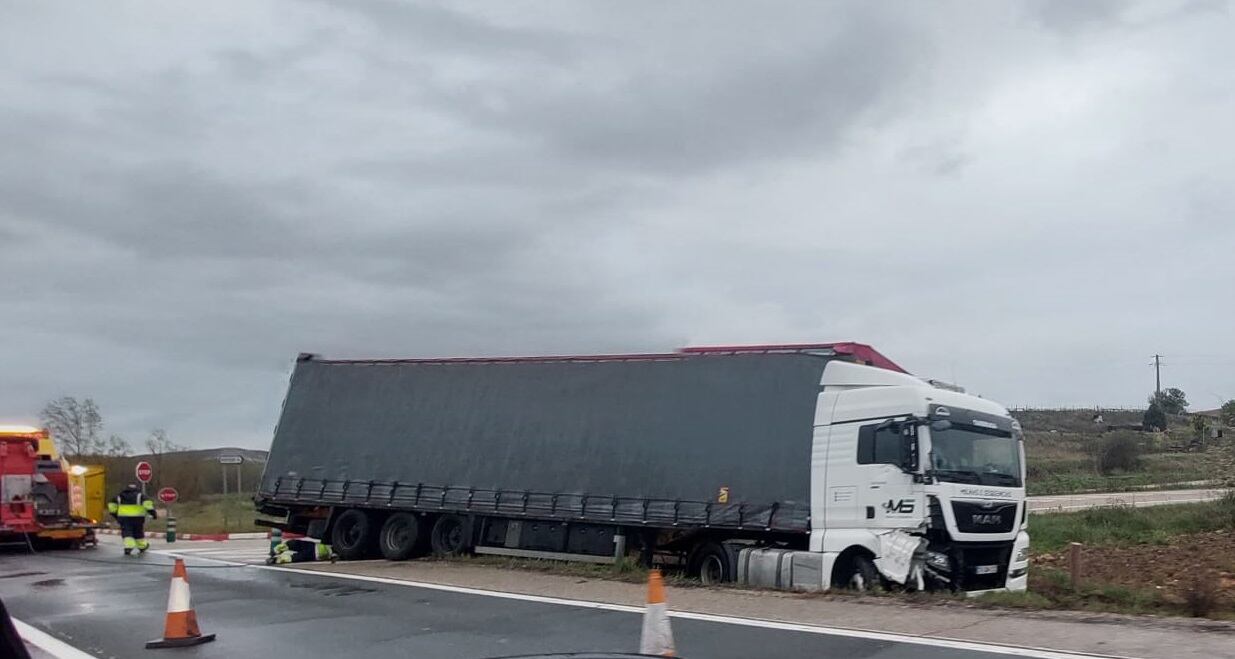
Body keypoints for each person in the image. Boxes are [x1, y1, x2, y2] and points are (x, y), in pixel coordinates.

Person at [107, 483, 156, 555]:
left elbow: (111, 506)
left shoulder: (120, 496)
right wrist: (153, 514)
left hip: (124, 518)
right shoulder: (141, 496)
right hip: (138, 518)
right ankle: (142, 546)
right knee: (138, 532)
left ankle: (129, 547)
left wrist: (115, 515)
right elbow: (148, 505)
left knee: (127, 532)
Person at [267, 538, 337, 565]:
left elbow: (334, 558)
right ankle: (275, 558)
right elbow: (334, 558)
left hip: (315, 549)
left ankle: (275, 554)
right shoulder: (338, 551)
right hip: (315, 551)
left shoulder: (335, 545)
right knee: (295, 555)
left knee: (294, 545)